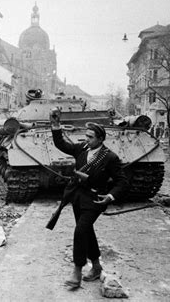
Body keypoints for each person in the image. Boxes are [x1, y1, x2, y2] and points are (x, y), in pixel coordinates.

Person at [49, 109, 128, 289]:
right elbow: (61, 144)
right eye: (86, 136)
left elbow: (122, 181)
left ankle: (77, 270)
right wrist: (55, 126)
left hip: (95, 199)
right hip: (78, 196)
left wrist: (110, 196)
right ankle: (97, 267)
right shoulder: (82, 149)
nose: (87, 139)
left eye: (90, 137)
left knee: (80, 231)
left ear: (100, 139)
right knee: (87, 231)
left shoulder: (109, 157)